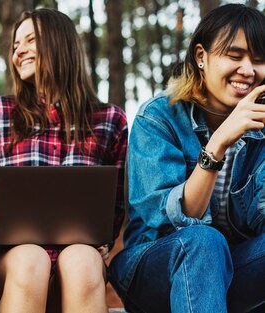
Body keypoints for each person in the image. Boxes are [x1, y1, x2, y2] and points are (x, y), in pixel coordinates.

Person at [108, 4, 265, 313]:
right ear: (201, 57)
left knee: (213, 251)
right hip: (157, 266)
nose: (248, 70)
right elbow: (175, 220)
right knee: (203, 242)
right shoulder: (158, 118)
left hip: (232, 271)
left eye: (259, 60)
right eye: (235, 56)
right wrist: (218, 143)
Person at [0, 8, 128, 313]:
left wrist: (102, 239)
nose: (19, 52)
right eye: (15, 46)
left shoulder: (110, 120)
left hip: (77, 263)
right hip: (12, 263)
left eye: (30, 41)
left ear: (59, 44)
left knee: (82, 260)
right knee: (31, 259)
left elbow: (112, 210)